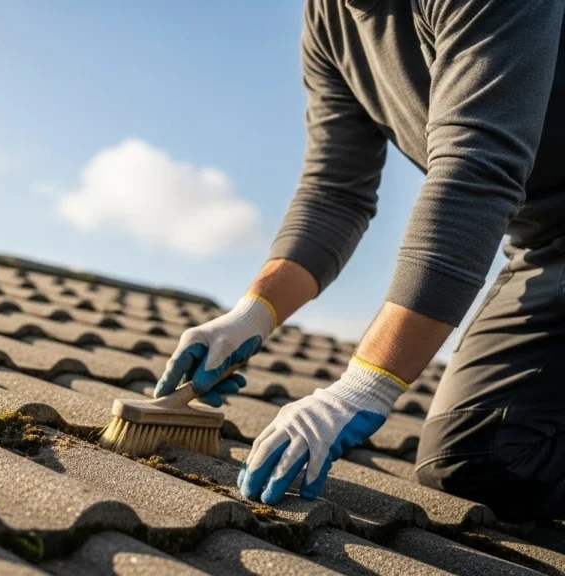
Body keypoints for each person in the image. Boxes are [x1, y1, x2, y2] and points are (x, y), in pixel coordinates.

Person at [154, 0, 565, 523]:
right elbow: (334, 193)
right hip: (543, 246)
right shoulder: (329, 20)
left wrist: (364, 384)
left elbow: (476, 170)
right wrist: (250, 315)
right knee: (473, 458)